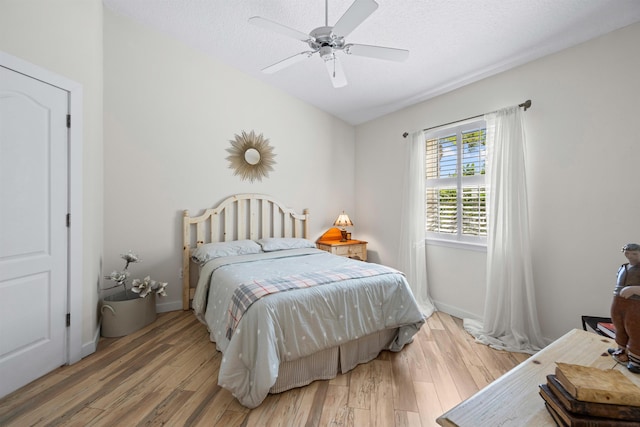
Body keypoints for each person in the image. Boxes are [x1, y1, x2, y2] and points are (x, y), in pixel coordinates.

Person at [609, 243, 640, 373]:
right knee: (619, 326)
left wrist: (634, 289)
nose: (630, 256)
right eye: (627, 253)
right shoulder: (623, 267)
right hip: (618, 301)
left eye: (634, 254)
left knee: (635, 330)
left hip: (636, 304)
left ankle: (636, 359)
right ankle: (622, 350)